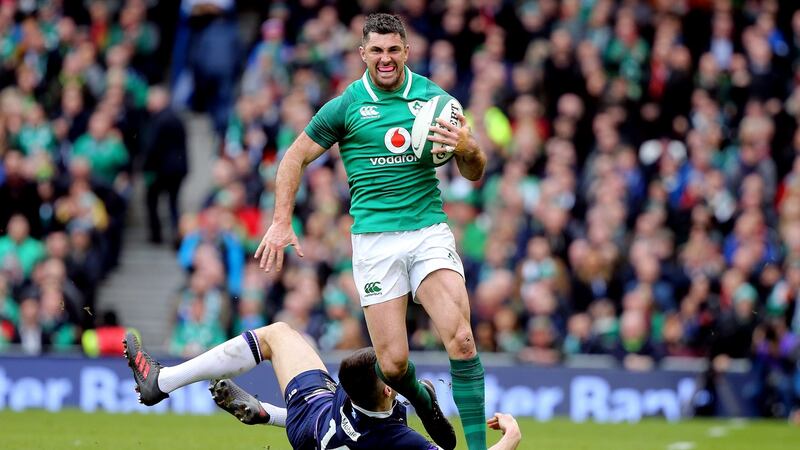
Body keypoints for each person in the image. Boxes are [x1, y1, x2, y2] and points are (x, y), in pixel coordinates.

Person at [255, 13, 487, 450]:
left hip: (427, 231)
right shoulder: (345, 106)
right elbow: (294, 157)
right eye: (376, 51)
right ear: (363, 53)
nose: (385, 59)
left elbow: (473, 171)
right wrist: (281, 220)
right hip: (375, 243)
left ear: (406, 51)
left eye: (393, 50)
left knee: (461, 338)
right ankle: (422, 400)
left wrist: (469, 148)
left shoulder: (437, 102)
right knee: (394, 366)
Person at [122, 323, 521, 449]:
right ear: (386, 391)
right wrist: (512, 438)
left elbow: (360, 370)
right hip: (317, 437)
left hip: (313, 419)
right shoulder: (400, 439)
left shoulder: (353, 383)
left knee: (276, 335)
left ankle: (164, 381)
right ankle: (266, 414)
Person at [140, 86, 188, 246]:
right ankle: (176, 234)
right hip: (177, 169)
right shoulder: (175, 117)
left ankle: (157, 235)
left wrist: (145, 167)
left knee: (152, 200)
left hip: (162, 170)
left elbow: (153, 147)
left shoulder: (160, 120)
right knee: (173, 204)